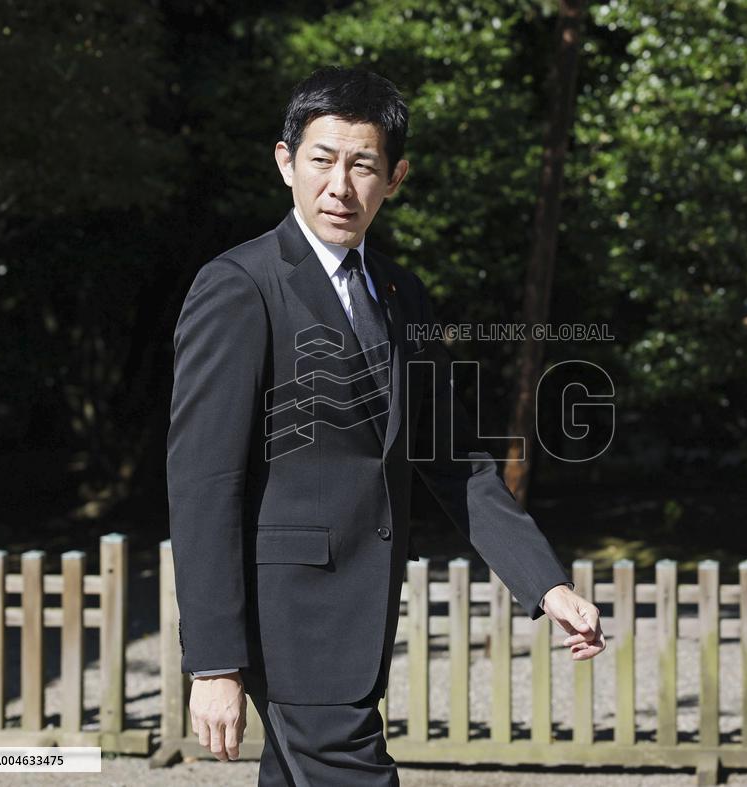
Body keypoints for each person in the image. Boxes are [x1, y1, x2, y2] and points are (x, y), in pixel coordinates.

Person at [166, 65, 606, 787]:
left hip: (361, 619)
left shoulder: (401, 292)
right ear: (285, 162)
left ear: (394, 177)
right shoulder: (239, 286)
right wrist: (214, 660)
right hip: (289, 624)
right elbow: (204, 482)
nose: (340, 186)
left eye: (363, 164)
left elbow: (453, 460)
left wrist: (547, 584)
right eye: (321, 159)